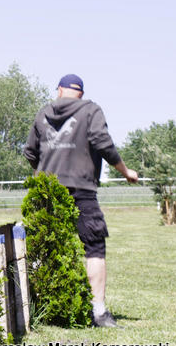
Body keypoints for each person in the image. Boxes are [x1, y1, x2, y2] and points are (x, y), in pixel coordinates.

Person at [23, 73, 138, 328]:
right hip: (81, 190)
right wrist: (125, 171)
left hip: (47, 191)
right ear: (81, 94)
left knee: (43, 246)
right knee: (94, 247)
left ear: (59, 90)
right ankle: (98, 313)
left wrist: (44, 172)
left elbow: (30, 151)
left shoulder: (43, 113)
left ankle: (40, 308)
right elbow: (102, 141)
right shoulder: (90, 110)